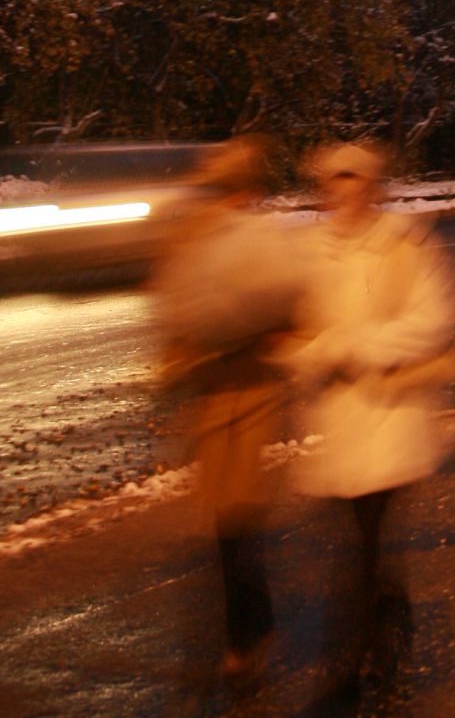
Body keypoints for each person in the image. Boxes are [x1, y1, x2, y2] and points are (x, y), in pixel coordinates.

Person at [290, 140, 455, 712]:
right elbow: (295, 329)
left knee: (364, 548)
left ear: (371, 187)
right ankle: (386, 653)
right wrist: (310, 355)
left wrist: (355, 347)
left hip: (393, 419)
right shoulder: (309, 250)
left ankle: (354, 673)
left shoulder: (404, 244)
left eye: (353, 180)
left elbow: (435, 317)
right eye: (332, 182)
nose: (342, 192)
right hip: (338, 425)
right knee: (367, 551)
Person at [153, 135, 304, 688]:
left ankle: (246, 638)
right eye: (217, 188)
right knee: (225, 521)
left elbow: (291, 301)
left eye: (231, 188)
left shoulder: (262, 240)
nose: (224, 198)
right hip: (211, 392)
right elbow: (174, 307)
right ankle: (247, 629)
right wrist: (176, 357)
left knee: (237, 516)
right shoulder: (192, 237)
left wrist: (276, 327)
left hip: (252, 389)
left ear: (248, 191)